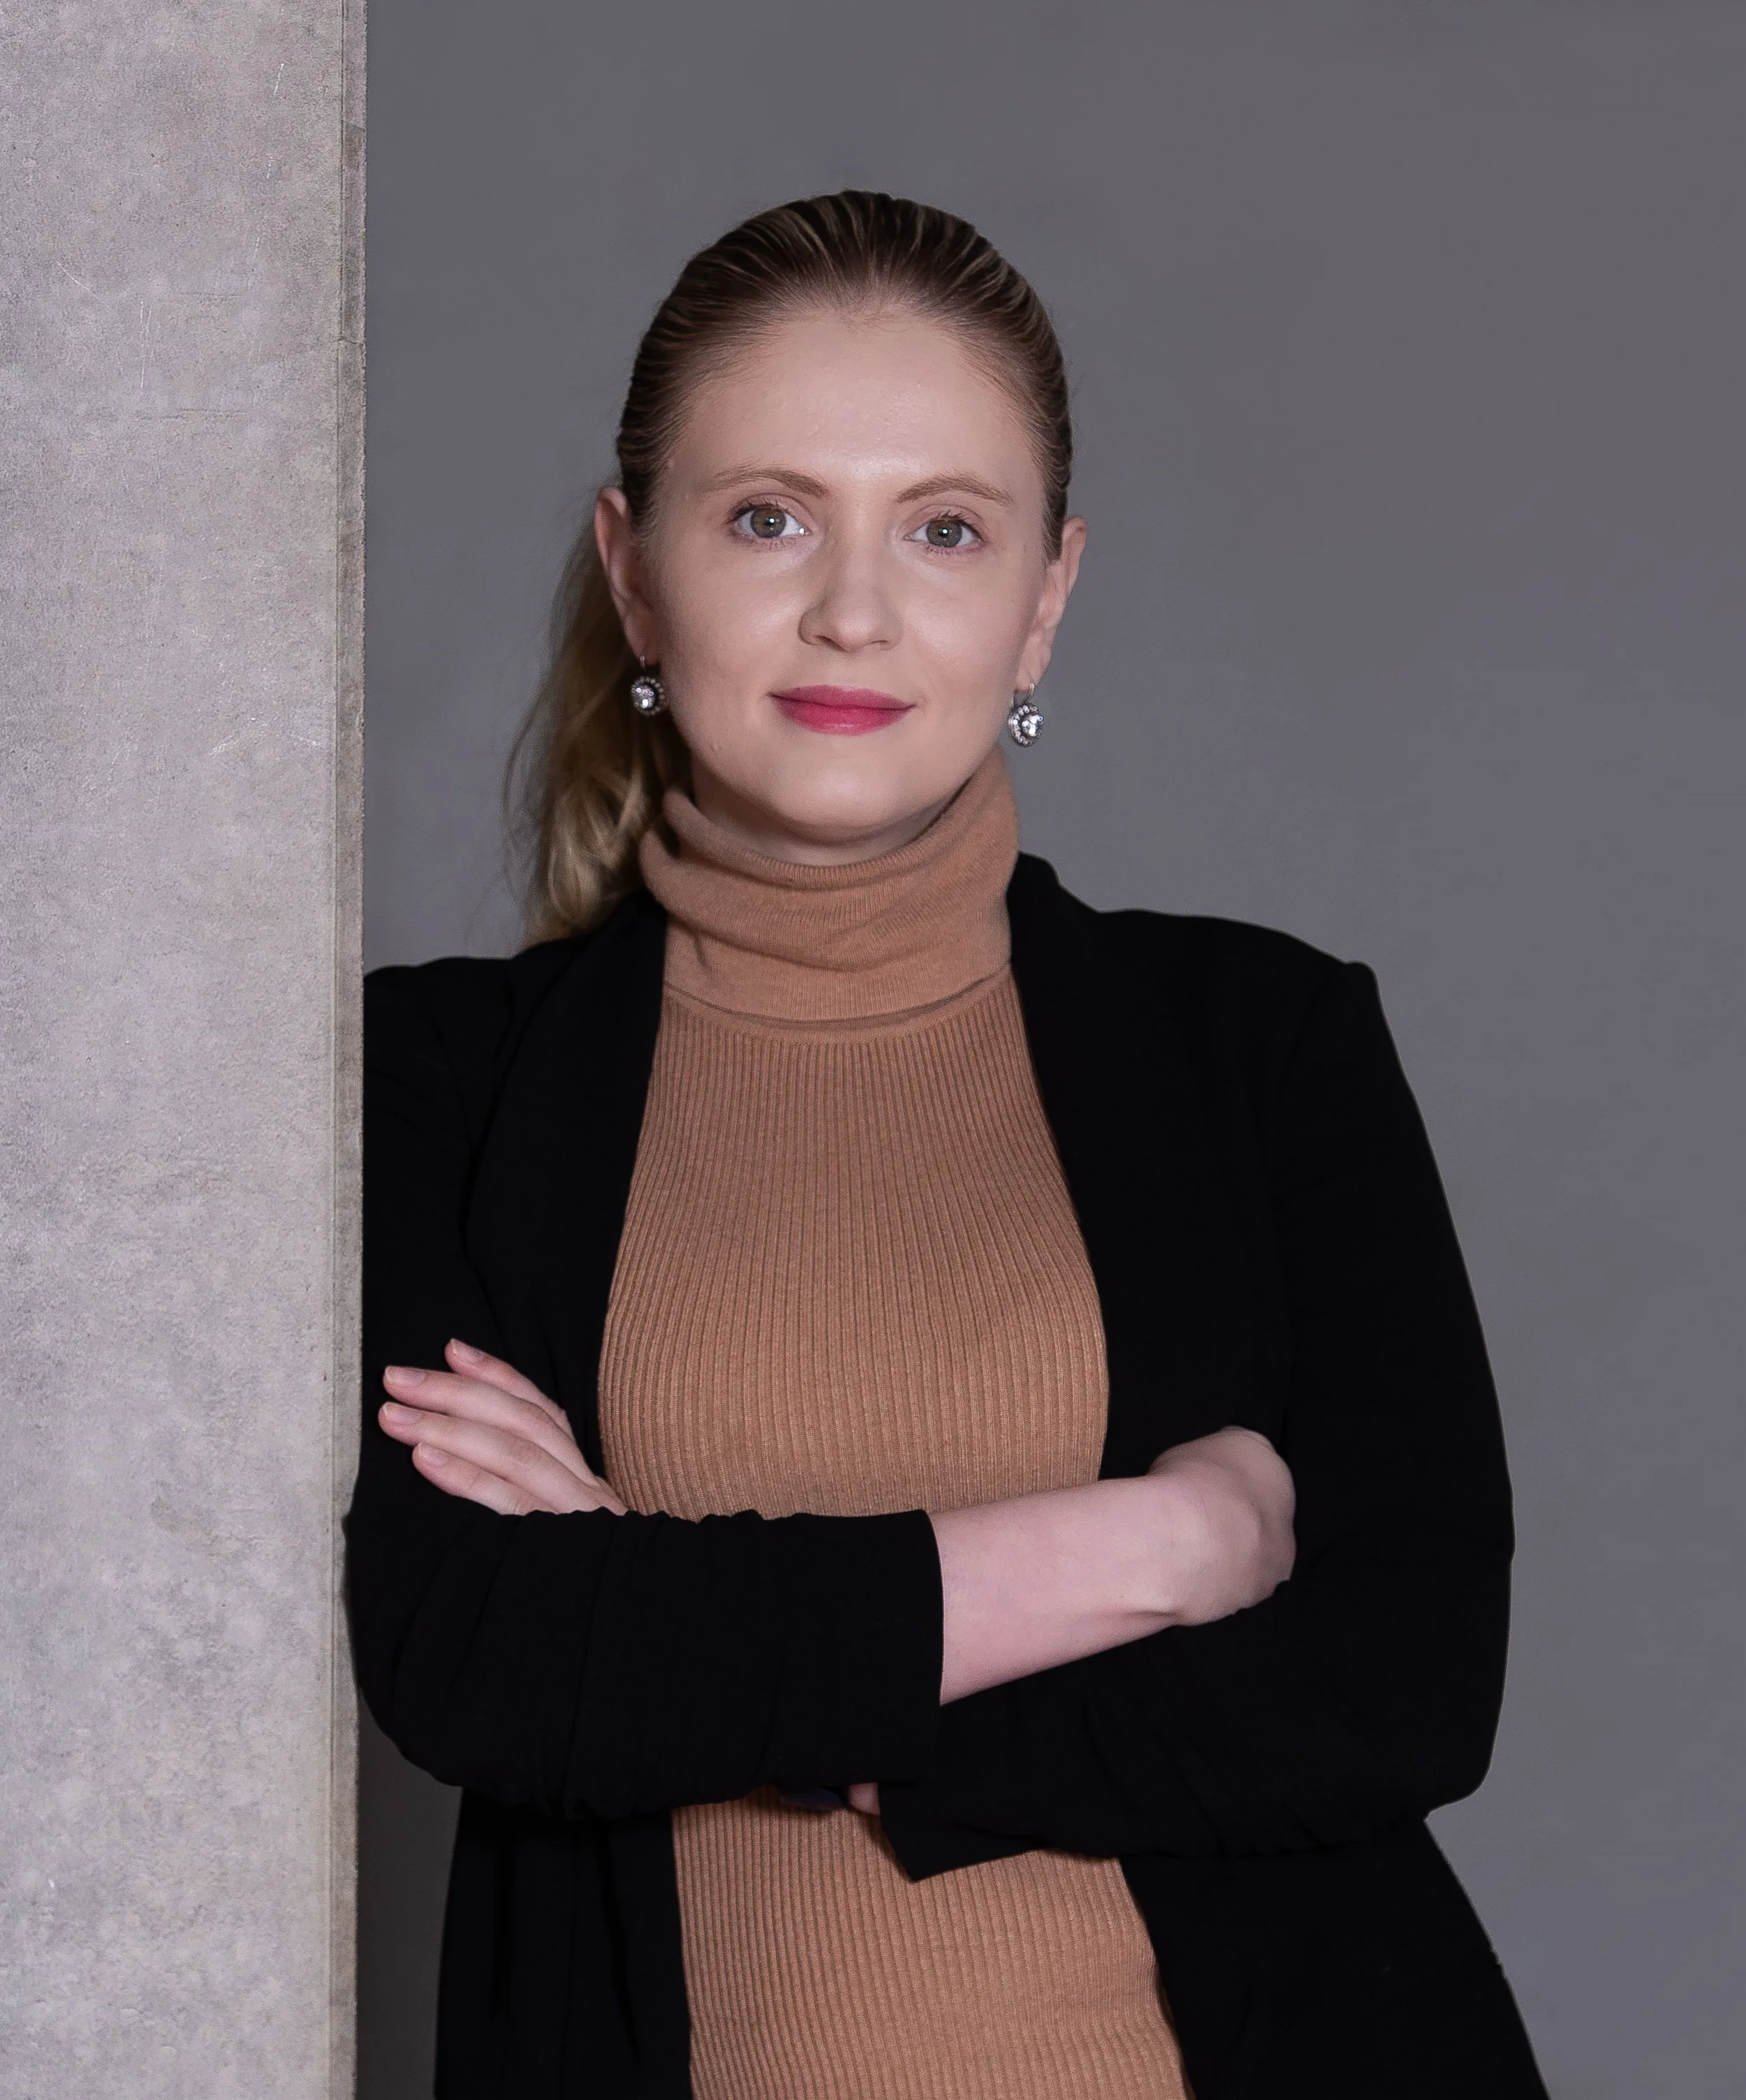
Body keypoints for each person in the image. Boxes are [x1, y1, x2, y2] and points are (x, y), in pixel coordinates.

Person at [346, 191, 1548, 2099]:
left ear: (1042, 594)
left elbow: (1398, 1682)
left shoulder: (1259, 1043)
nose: (852, 607)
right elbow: (478, 1656)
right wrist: (1153, 1544)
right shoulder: (434, 1078)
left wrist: (713, 1649)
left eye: (944, 528)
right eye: (767, 515)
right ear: (635, 569)